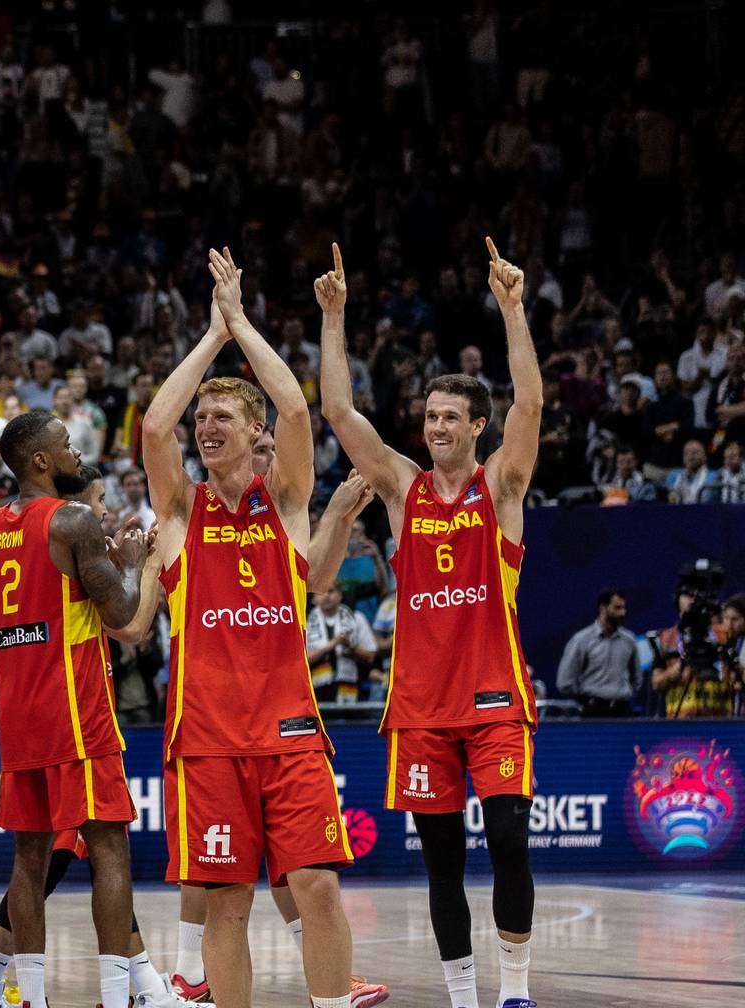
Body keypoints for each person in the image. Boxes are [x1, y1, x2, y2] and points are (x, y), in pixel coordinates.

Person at [318, 238, 543, 1008]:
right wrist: (334, 320)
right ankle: (461, 997)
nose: (435, 424)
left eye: (450, 416)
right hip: (419, 709)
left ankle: (515, 989)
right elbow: (341, 412)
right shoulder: (403, 490)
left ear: (477, 424)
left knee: (510, 842)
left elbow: (532, 405)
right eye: (429, 414)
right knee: (440, 863)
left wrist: (513, 309)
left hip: (492, 700)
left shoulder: (501, 487)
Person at [140, 249, 355, 1008]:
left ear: (252, 430)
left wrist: (243, 323)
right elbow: (156, 423)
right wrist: (210, 335)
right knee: (226, 904)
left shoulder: (287, 502)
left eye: (221, 417)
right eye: (204, 420)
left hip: (290, 733)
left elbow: (297, 410)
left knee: (318, 885)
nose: (205, 428)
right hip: (207, 740)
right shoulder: (178, 515)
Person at [0, 409, 145, 1008]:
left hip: (19, 718)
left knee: (29, 857)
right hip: (75, 711)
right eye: (66, 445)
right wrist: (136, 566)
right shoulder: (71, 520)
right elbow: (121, 615)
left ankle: (33, 997)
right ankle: (119, 995)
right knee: (109, 850)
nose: (75, 451)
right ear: (41, 461)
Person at [555, 590, 641, 716]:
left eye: (623, 608)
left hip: (623, 710)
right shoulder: (582, 640)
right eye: (617, 608)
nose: (623, 612)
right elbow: (565, 681)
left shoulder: (629, 640)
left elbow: (637, 679)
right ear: (603, 608)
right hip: (593, 710)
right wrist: (587, 698)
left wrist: (623, 693)